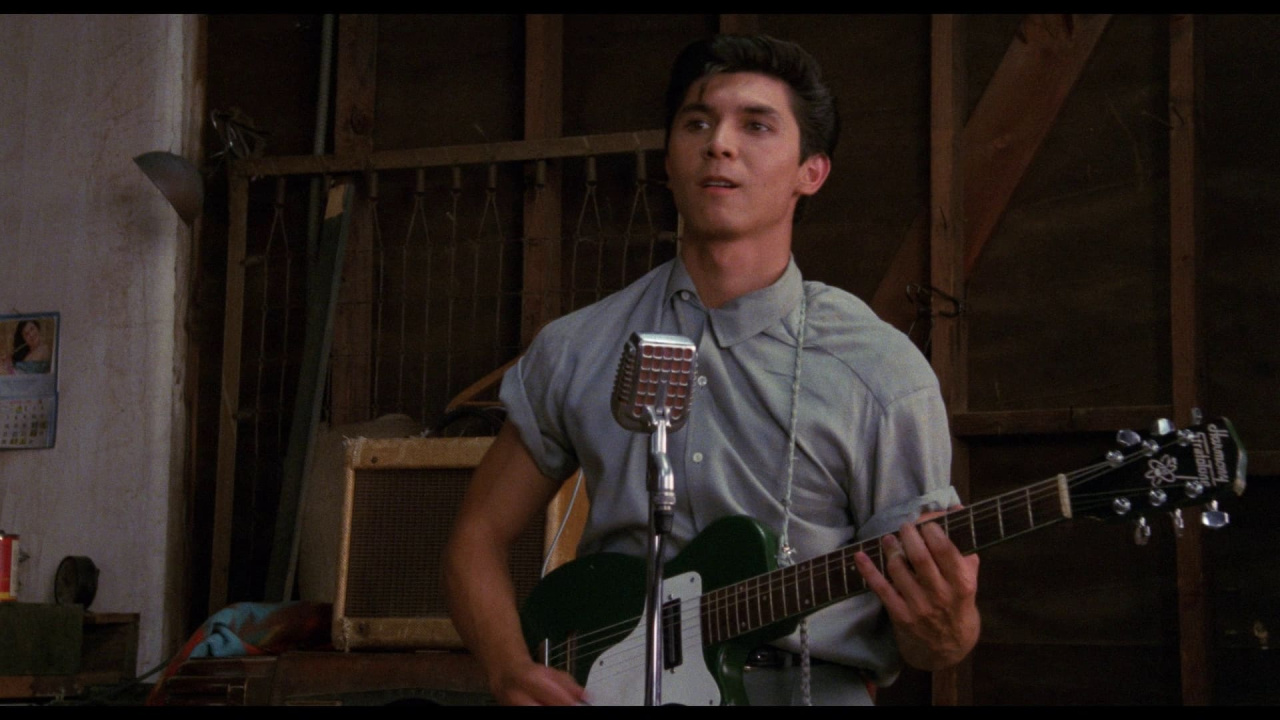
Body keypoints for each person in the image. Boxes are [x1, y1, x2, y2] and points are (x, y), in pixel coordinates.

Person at [443, 33, 979, 706]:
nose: (719, 143)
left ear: (810, 172)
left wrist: (948, 627)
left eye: (756, 125)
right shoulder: (578, 347)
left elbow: (934, 642)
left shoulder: (880, 372)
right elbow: (476, 536)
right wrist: (506, 668)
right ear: (669, 160)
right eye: (698, 122)